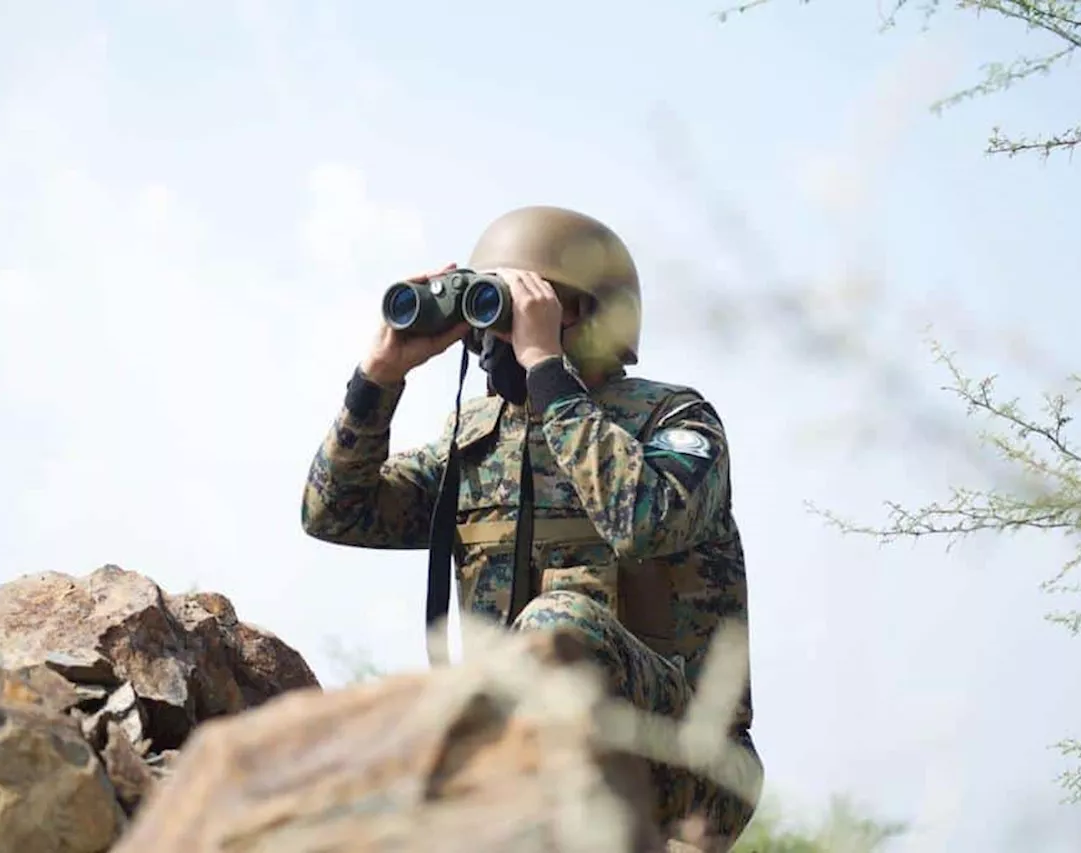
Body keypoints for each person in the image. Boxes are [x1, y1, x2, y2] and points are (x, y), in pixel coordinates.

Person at [300, 205, 762, 848]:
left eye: (516, 306)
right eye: (489, 310)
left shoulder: (673, 420)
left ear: (582, 315)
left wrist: (548, 371)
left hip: (687, 761)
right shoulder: (476, 443)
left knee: (557, 625)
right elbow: (334, 511)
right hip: (519, 760)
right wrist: (380, 375)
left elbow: (645, 521)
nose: (495, 336)